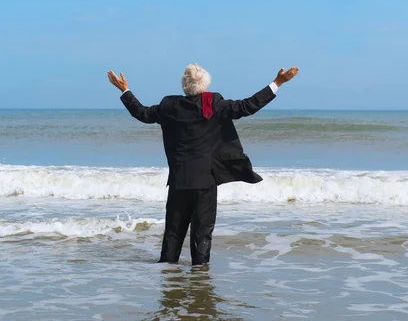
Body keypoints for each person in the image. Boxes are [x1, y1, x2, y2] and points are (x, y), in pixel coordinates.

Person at [107, 64, 299, 265]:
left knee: (173, 234)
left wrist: (125, 90)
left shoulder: (169, 105)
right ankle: (199, 280)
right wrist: (278, 82)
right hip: (205, 182)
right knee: (202, 235)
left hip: (179, 182)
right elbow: (247, 106)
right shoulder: (214, 103)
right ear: (205, 84)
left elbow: (143, 113)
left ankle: (167, 280)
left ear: (184, 84)